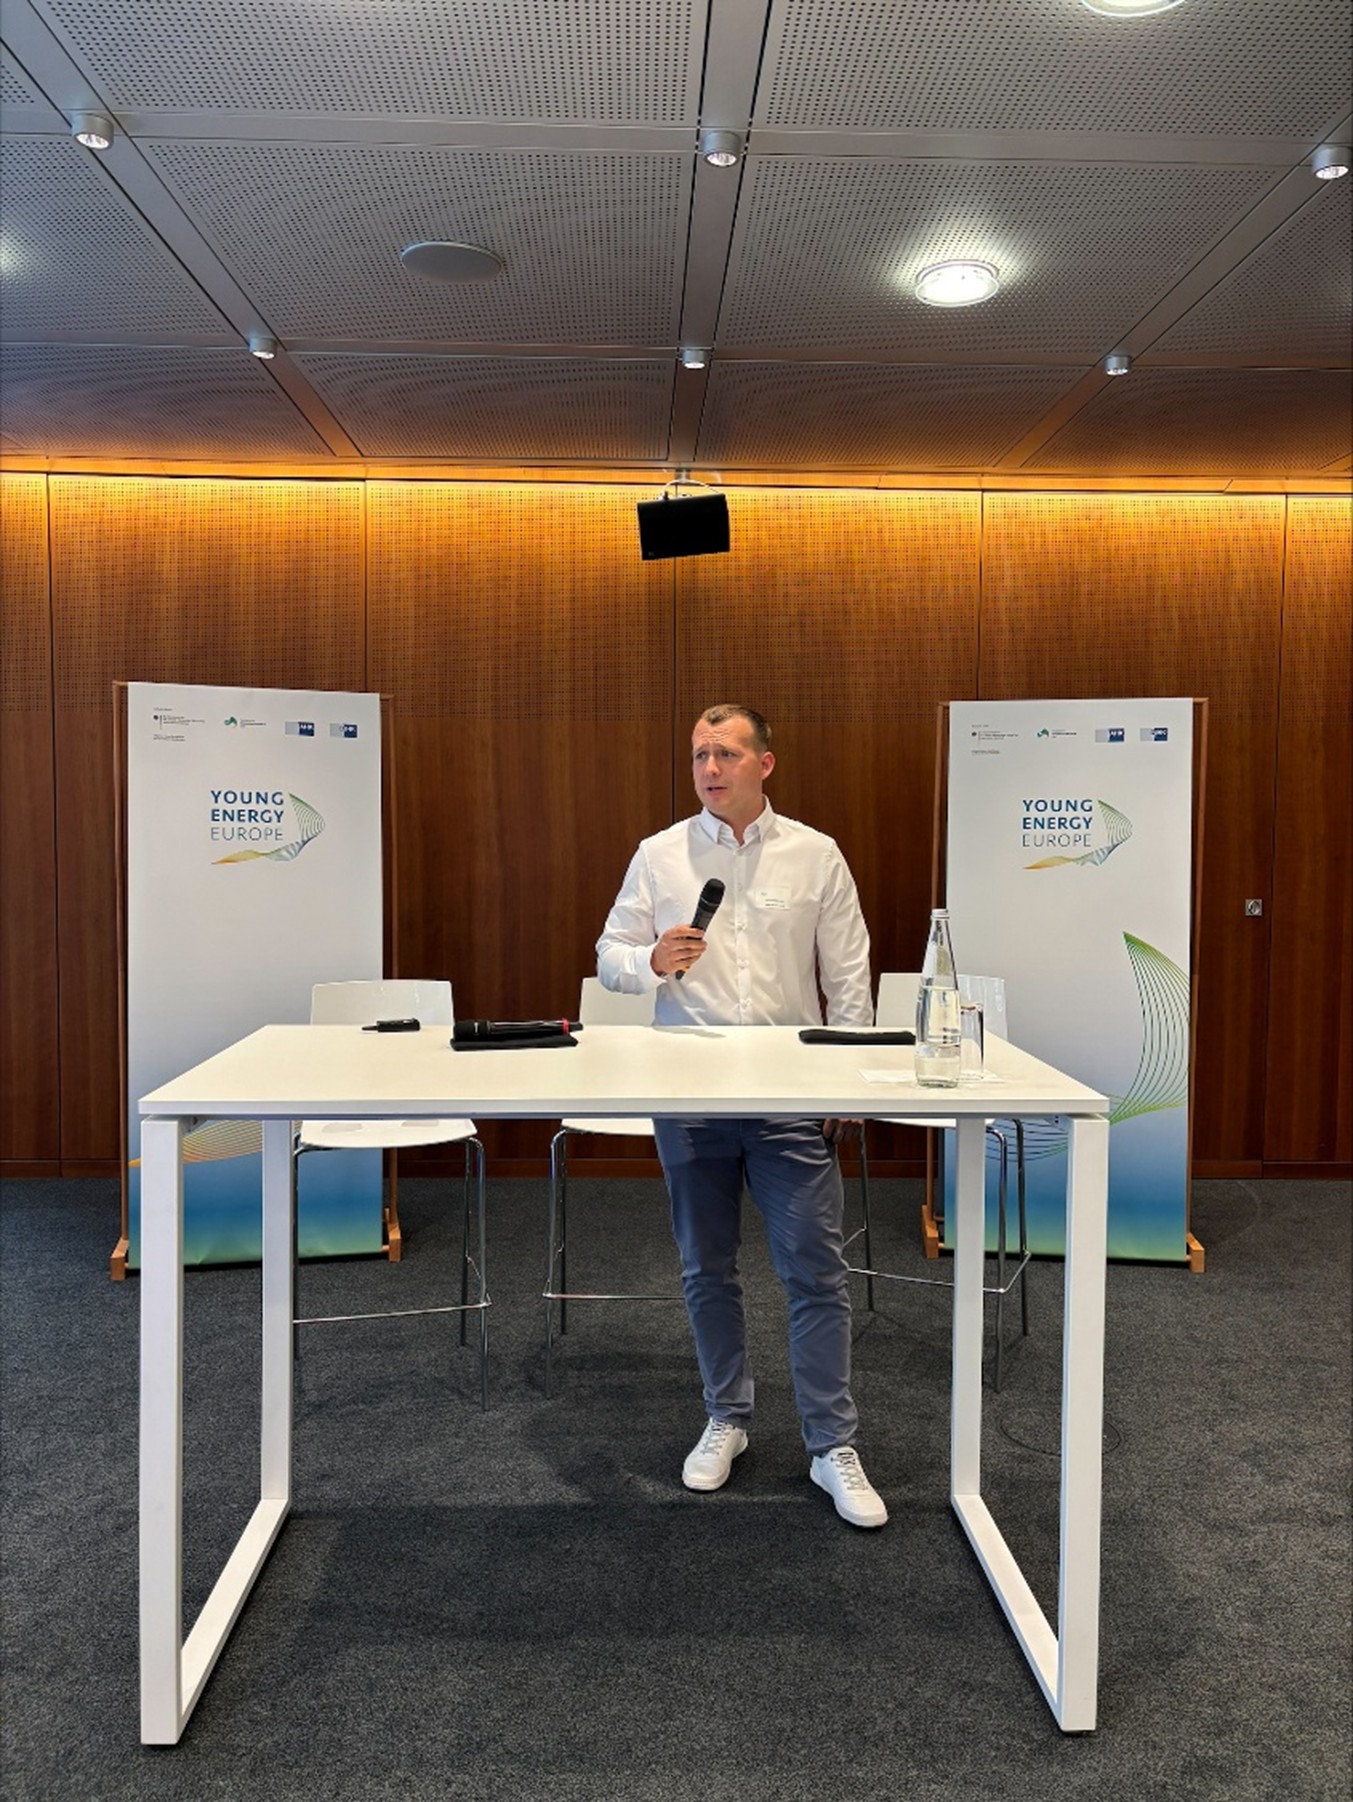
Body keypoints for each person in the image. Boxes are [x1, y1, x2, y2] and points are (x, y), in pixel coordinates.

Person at [596, 703, 887, 1528]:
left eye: (724, 753)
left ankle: (832, 1443)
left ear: (766, 762)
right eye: (696, 756)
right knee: (704, 1268)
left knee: (814, 1271)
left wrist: (851, 1083)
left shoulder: (814, 853)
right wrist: (647, 960)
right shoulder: (659, 855)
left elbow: (850, 970)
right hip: (687, 1089)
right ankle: (726, 1418)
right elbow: (609, 954)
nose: (708, 769)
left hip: (789, 1090)